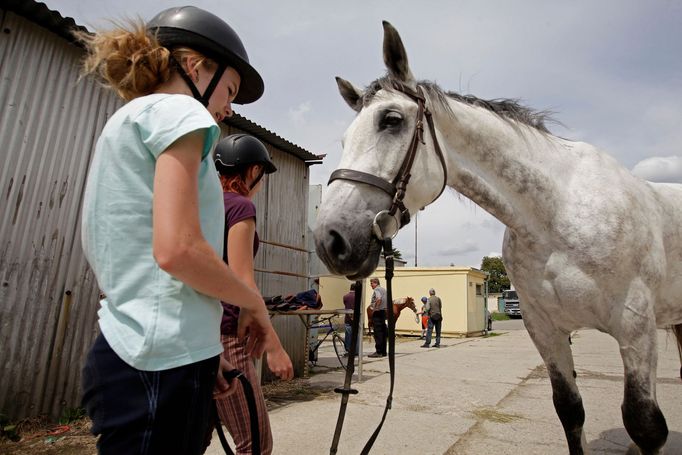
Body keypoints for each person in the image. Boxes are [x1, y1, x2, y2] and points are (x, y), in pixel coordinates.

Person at [77, 7, 277, 454]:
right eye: (229, 90)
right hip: (157, 370)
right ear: (193, 67)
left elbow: (150, 267)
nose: (228, 109)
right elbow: (179, 250)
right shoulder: (180, 112)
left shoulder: (133, 119)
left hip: (142, 351)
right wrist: (252, 302)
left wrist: (208, 350)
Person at [213, 134, 294, 454]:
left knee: (193, 438)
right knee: (255, 444)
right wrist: (274, 346)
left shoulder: (201, 204)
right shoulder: (240, 206)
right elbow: (243, 280)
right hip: (227, 335)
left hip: (194, 335)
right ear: (254, 170)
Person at [368, 278, 388, 358]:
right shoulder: (384, 289)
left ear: (375, 283)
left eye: (371, 283)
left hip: (378, 312)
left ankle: (378, 352)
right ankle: (383, 352)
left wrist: (375, 309)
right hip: (383, 312)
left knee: (378, 333)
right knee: (383, 333)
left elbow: (378, 299)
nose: (371, 285)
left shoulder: (377, 289)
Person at [342, 283, 356, 354]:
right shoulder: (357, 297)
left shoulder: (345, 296)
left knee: (348, 335)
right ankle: (355, 350)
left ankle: (348, 349)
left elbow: (345, 304)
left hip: (347, 318)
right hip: (356, 318)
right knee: (355, 335)